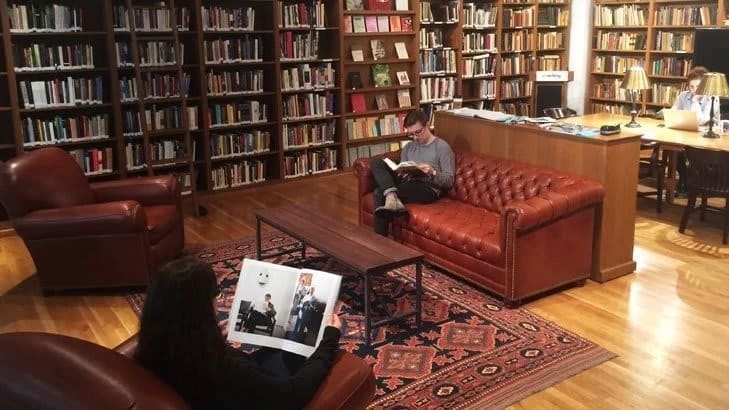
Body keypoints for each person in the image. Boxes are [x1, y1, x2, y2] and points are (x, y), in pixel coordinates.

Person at [134, 257, 342, 410]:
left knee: (285, 348)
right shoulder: (224, 367)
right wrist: (330, 340)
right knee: (312, 356)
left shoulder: (154, 347)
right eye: (215, 294)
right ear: (200, 306)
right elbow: (291, 394)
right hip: (264, 395)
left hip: (218, 391)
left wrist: (211, 336)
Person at [370, 109, 455, 236]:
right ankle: (392, 196)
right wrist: (402, 172)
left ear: (427, 125)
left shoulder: (442, 147)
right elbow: (403, 168)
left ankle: (379, 242)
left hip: (428, 188)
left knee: (379, 192)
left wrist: (432, 172)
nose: (415, 137)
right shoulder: (409, 147)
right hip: (409, 182)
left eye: (418, 132)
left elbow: (449, 180)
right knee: (376, 162)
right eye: (411, 134)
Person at [670, 66, 720, 194]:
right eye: (691, 87)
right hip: (686, 135)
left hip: (706, 140)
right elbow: (673, 113)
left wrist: (696, 102)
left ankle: (693, 184)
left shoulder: (712, 98)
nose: (694, 90)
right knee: (676, 152)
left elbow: (701, 121)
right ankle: (683, 181)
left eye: (697, 87)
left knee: (694, 155)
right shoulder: (683, 96)